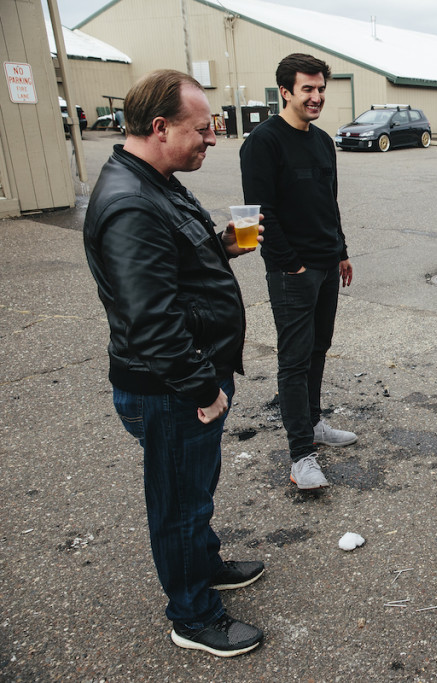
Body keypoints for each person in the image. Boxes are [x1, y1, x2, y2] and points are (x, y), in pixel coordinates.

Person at [83, 69, 265, 657]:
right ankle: (193, 615)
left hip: (187, 376)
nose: (212, 138)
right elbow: (152, 321)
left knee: (195, 490)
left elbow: (173, 271)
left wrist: (223, 247)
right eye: (202, 129)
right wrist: (201, 390)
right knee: (179, 503)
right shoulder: (132, 204)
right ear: (160, 128)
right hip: (170, 388)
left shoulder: (155, 179)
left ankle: (203, 564)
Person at [240, 53, 355, 490]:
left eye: (321, 88)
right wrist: (292, 263)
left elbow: (330, 202)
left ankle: (313, 424)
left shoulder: (323, 141)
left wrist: (340, 251)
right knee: (293, 360)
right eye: (307, 88)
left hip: (327, 265)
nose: (316, 96)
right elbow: (260, 212)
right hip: (294, 272)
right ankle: (301, 456)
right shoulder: (263, 143)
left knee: (319, 348)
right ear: (285, 92)